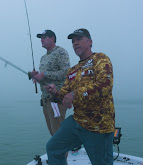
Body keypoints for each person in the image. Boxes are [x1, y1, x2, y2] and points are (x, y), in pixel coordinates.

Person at [45, 28, 115, 165]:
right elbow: (64, 95)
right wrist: (55, 92)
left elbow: (105, 85)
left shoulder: (100, 59)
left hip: (98, 126)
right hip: (77, 122)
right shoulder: (73, 70)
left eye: (79, 39)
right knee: (53, 148)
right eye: (73, 41)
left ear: (89, 42)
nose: (75, 43)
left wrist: (75, 93)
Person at [29, 29, 70, 136]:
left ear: (52, 38)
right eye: (40, 38)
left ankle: (62, 152)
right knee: (53, 134)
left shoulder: (60, 52)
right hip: (45, 102)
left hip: (56, 100)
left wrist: (45, 74)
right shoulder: (43, 58)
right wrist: (37, 77)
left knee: (58, 136)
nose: (41, 40)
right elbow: (45, 80)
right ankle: (59, 152)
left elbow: (66, 73)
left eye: (44, 37)